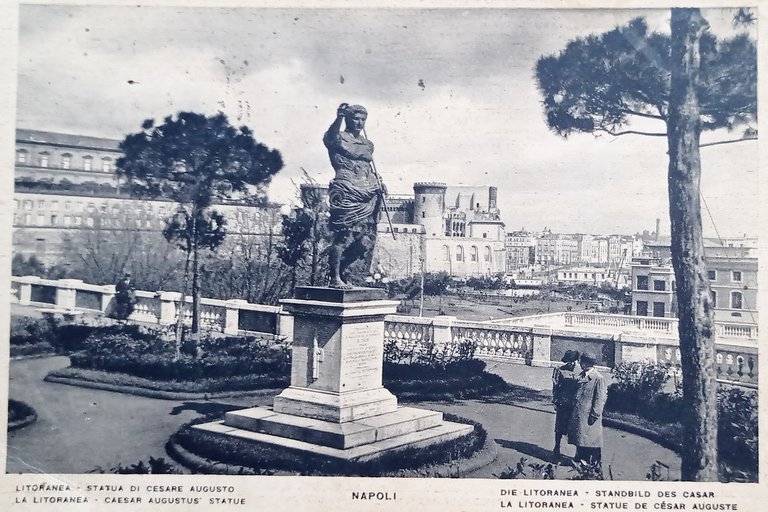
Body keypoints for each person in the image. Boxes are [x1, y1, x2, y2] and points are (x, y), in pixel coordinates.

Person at [323, 103, 386, 288]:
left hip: (368, 193)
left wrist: (379, 182)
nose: (359, 122)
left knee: (365, 242)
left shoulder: (368, 144)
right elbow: (330, 138)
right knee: (342, 236)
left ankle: (341, 269)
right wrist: (339, 116)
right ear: (348, 119)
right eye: (355, 118)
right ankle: (335, 278)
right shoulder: (338, 138)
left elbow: (368, 169)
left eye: (362, 119)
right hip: (346, 190)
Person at [569, 352, 608, 469]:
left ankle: (593, 462)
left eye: (581, 362)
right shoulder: (582, 375)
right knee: (581, 437)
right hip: (580, 412)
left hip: (589, 414)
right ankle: (580, 458)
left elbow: (600, 398)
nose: (579, 363)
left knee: (591, 439)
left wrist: (595, 414)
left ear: (586, 363)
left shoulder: (598, 378)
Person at [552, 349, 580, 457]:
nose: (572, 364)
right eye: (569, 362)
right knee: (560, 427)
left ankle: (578, 453)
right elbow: (555, 387)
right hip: (563, 402)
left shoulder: (580, 371)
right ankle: (557, 447)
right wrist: (555, 401)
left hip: (575, 404)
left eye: (573, 361)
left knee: (576, 428)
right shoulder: (559, 370)